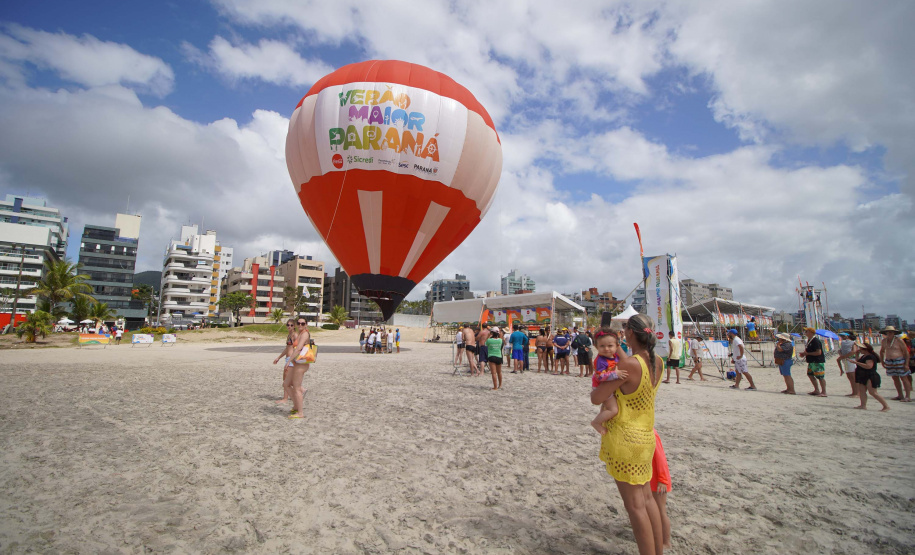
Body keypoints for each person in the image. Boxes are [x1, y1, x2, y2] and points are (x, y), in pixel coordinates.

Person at [591, 314, 665, 555]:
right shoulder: (657, 362)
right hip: (645, 437)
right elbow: (629, 360)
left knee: (634, 507)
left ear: (629, 334)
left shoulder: (629, 365)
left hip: (625, 438)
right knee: (647, 500)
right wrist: (623, 347)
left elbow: (597, 398)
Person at [590, 330, 627, 434]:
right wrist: (615, 374)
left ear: (617, 346)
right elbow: (600, 376)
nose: (606, 349)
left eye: (610, 346)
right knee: (613, 410)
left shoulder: (615, 356)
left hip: (608, 386)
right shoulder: (600, 360)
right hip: (600, 386)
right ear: (596, 347)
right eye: (602, 346)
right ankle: (596, 422)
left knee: (606, 406)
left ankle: (601, 421)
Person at [850, 342, 890, 411]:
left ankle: (886, 406)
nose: (859, 349)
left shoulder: (870, 356)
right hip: (862, 375)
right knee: (862, 391)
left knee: (873, 392)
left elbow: (868, 366)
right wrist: (857, 355)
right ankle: (863, 405)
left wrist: (856, 363)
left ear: (865, 349)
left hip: (870, 375)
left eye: (861, 348)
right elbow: (859, 362)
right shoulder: (864, 356)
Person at [286, 317, 312, 419]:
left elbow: (298, 348)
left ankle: (300, 412)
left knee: (297, 388)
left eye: (303, 323)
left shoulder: (305, 334)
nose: (300, 325)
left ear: (306, 324)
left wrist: (288, 361)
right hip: (297, 362)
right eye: (299, 323)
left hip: (301, 364)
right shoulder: (300, 334)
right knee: (286, 384)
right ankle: (296, 406)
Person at [651, 429, 673, 550]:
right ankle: (655, 537)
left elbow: (661, 459)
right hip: (648, 480)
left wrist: (663, 480)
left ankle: (666, 541)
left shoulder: (652, 434)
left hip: (659, 481)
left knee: (660, 511)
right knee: (652, 510)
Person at [878, 326, 911, 402]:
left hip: (899, 360)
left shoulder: (899, 341)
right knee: (895, 379)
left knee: (904, 378)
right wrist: (882, 361)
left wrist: (906, 364)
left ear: (894, 333)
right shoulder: (884, 341)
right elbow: (882, 351)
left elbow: (906, 352)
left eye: (891, 332)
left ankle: (907, 396)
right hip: (889, 361)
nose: (889, 333)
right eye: (888, 332)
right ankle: (900, 395)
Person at [273, 319, 297, 403]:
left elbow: (297, 348)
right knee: (287, 379)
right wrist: (278, 357)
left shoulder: (295, 335)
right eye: (288, 325)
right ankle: (295, 394)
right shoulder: (289, 335)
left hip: (291, 359)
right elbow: (287, 348)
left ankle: (286, 398)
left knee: (286, 379)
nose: (289, 327)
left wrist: (293, 359)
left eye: (291, 325)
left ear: (294, 326)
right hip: (287, 358)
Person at [798, 327, 826, 397]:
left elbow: (818, 352)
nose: (805, 332)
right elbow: (809, 351)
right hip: (811, 361)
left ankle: (824, 392)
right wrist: (804, 354)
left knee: (820, 376)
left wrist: (807, 354)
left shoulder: (815, 341)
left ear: (810, 332)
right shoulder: (809, 340)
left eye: (806, 331)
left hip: (817, 361)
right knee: (810, 374)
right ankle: (816, 390)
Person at [835, 332, 859, 397]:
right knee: (849, 376)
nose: (842, 337)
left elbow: (854, 351)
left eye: (843, 336)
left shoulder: (853, 342)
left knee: (853, 376)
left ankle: (857, 393)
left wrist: (844, 356)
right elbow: (841, 350)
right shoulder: (843, 343)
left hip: (851, 360)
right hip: (845, 360)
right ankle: (854, 392)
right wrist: (841, 353)